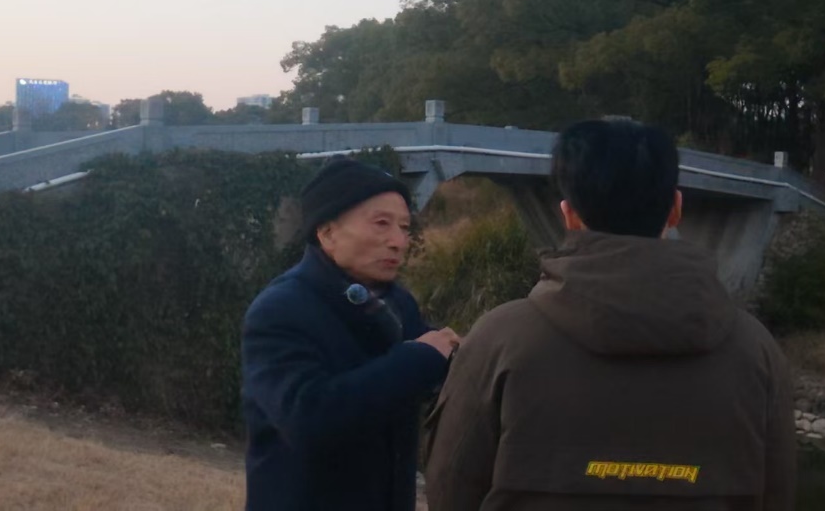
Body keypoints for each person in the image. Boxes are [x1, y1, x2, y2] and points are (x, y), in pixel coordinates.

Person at [424, 119, 796, 511]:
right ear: (675, 208)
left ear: (569, 215)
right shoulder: (756, 351)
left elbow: (450, 487)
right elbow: (778, 494)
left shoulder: (498, 340)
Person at [241, 157, 461, 511]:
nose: (398, 241)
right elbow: (307, 420)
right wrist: (418, 360)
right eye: (381, 224)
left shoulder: (397, 303)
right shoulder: (280, 310)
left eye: (404, 227)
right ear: (327, 231)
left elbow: (424, 372)